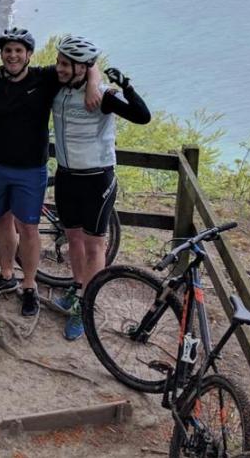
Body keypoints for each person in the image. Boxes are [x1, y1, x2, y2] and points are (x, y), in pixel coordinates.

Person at [0, 27, 100, 312]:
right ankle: (6, 275)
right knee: (1, 221)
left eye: (18, 50)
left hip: (30, 169)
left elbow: (87, 63)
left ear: (28, 54)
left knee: (28, 227)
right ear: (1, 54)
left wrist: (93, 85)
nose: (12, 55)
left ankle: (29, 284)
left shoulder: (45, 77)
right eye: (8, 50)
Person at [50, 35, 151, 340]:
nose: (60, 68)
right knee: (73, 240)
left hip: (97, 179)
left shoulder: (103, 96)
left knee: (95, 245)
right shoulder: (56, 87)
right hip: (67, 176)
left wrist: (126, 87)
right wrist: (91, 74)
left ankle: (87, 305)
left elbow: (142, 117)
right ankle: (77, 287)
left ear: (82, 67)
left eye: (66, 64)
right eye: (59, 61)